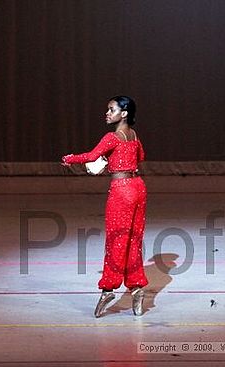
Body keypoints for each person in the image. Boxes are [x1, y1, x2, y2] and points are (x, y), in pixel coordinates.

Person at [62, 96, 148, 317]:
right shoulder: (134, 135)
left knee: (116, 241)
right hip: (138, 187)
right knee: (133, 240)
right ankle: (137, 287)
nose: (107, 113)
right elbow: (140, 156)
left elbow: (91, 156)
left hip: (122, 190)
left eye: (111, 109)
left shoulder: (112, 137)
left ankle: (108, 289)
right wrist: (113, 161)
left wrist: (70, 159)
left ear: (124, 113)